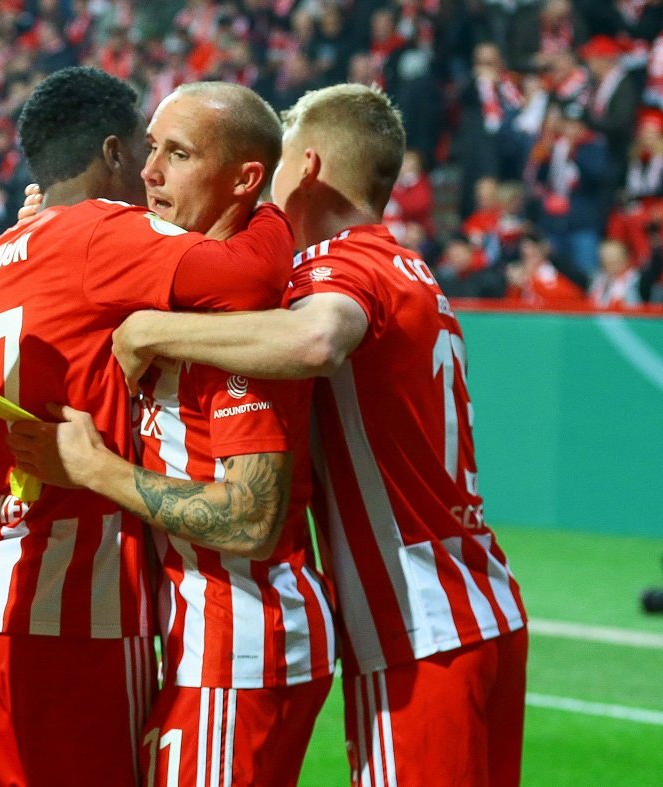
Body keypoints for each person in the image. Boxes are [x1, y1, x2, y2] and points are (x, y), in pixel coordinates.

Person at [112, 83, 529, 786]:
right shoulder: (408, 266)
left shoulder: (338, 265)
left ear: (303, 167)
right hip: (479, 602)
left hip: (418, 621)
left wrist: (150, 330)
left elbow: (315, 340)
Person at [0, 71, 294, 787]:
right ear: (113, 154)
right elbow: (251, 277)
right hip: (77, 603)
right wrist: (280, 208)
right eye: (146, 149)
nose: (154, 172)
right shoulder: (105, 230)